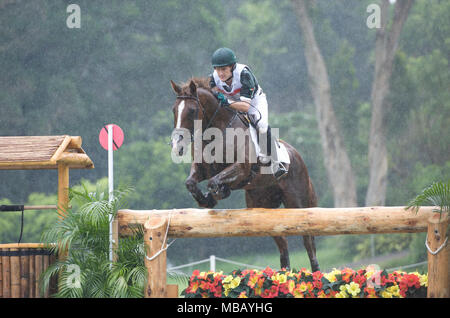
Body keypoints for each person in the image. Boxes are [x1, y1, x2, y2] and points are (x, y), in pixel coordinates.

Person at [208, 47, 287, 179]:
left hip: (254, 102)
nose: (220, 73)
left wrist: (226, 102)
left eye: (223, 69)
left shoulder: (244, 74)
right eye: (217, 69)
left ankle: (275, 163)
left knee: (261, 125)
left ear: (232, 67)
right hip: (232, 101)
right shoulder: (213, 78)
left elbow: (245, 107)